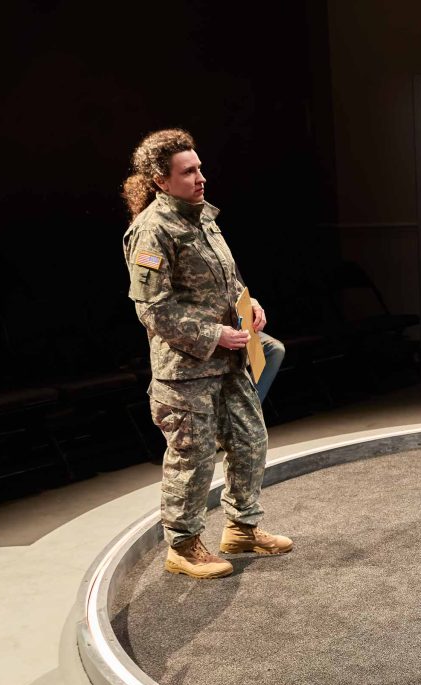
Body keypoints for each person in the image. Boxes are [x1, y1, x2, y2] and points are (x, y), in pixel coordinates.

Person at [122, 128, 293, 579]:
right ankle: (182, 546)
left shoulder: (203, 218)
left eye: (199, 168)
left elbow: (225, 279)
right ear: (161, 180)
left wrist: (248, 303)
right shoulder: (152, 231)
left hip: (230, 360)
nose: (201, 177)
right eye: (189, 171)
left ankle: (241, 528)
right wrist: (213, 334)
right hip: (186, 370)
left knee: (249, 441)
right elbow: (152, 309)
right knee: (192, 458)